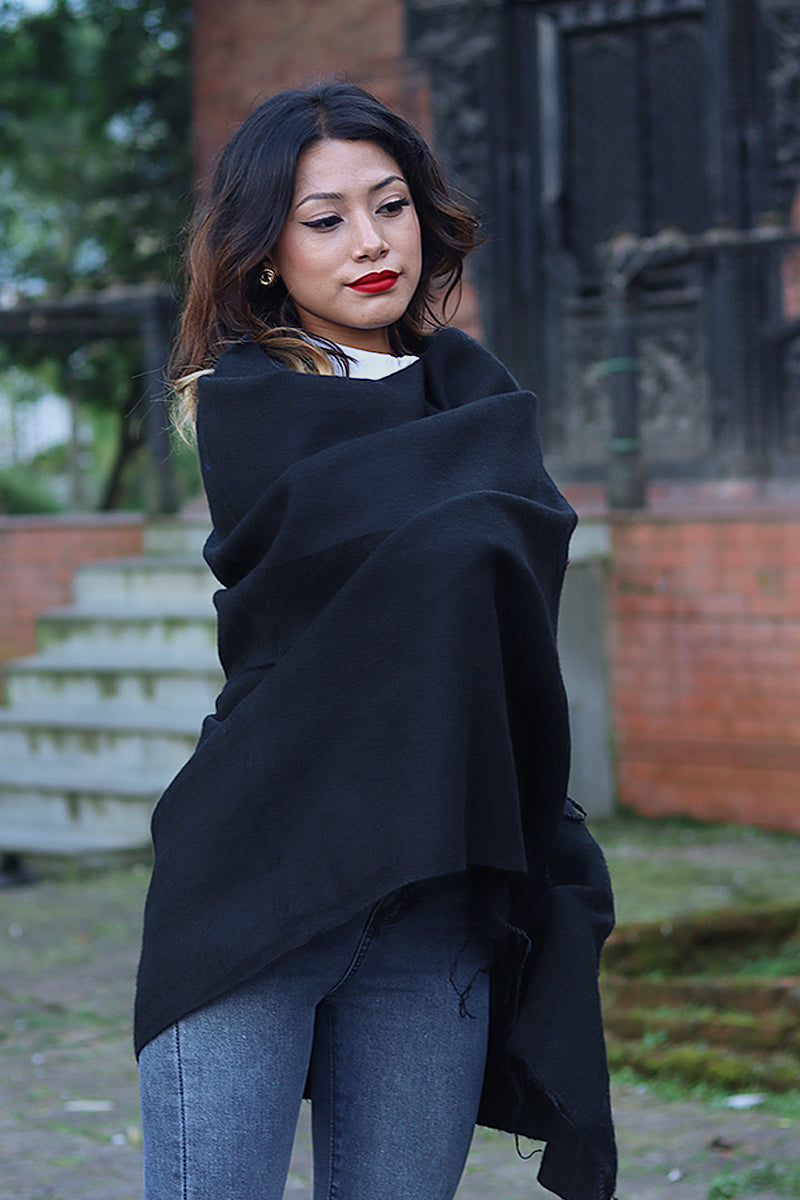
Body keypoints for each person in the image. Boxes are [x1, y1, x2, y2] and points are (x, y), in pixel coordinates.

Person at [135, 80, 617, 1200]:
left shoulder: (481, 397)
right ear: (265, 253)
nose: (371, 242)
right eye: (325, 219)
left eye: (390, 205)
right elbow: (425, 554)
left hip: (433, 890)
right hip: (259, 880)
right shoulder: (248, 405)